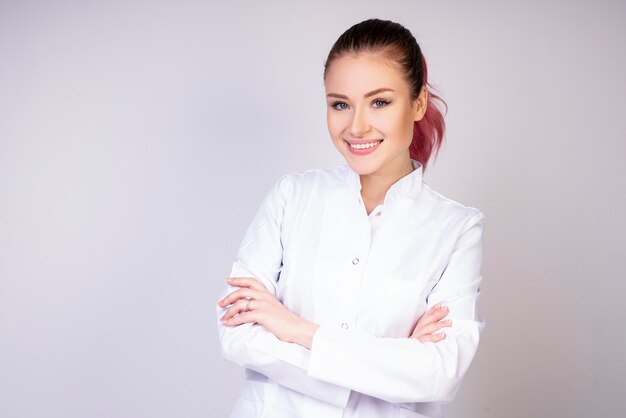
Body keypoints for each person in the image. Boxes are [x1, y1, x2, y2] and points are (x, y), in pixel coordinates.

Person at [216, 18, 485, 418]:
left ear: (418, 103)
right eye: (340, 104)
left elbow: (438, 374)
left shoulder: (457, 228)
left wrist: (296, 329)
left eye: (379, 102)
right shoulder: (292, 197)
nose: (356, 125)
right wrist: (394, 362)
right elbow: (237, 332)